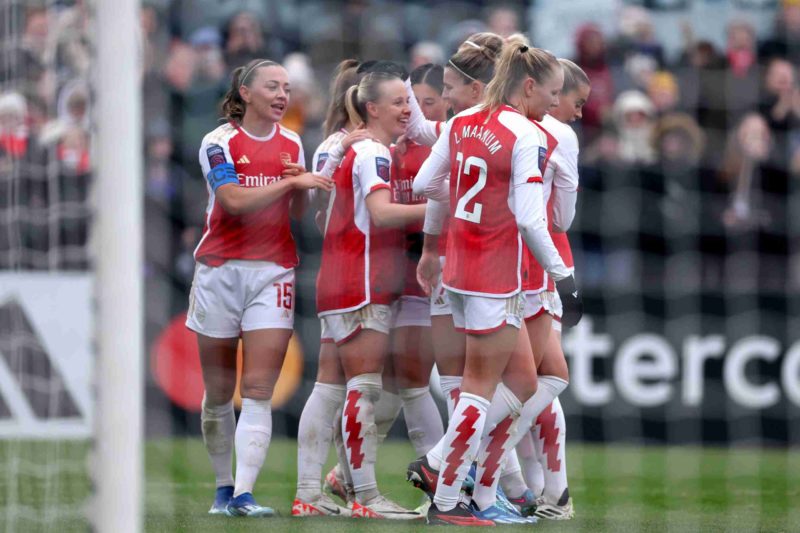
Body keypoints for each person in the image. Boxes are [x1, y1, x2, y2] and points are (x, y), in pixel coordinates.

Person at [410, 39, 582, 525]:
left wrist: (472, 198)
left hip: (458, 269)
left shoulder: (462, 122)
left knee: (522, 382)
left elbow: (426, 185)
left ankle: (459, 481)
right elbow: (532, 220)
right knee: (482, 388)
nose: (554, 102)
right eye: (551, 92)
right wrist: (563, 277)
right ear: (528, 85)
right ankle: (444, 493)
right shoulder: (525, 134)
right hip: (496, 274)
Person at [186, 59, 332, 518]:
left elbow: (296, 212)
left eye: (287, 87)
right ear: (245, 93)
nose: (282, 94)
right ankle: (222, 488)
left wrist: (302, 187)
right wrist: (289, 181)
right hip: (219, 270)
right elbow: (231, 202)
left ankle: (245, 495)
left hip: (273, 272)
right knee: (217, 390)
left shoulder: (292, 142)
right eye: (272, 86)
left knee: (258, 388)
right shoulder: (219, 142)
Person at [315, 71, 428, 519]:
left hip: (343, 279)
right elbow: (381, 214)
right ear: (372, 109)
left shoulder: (354, 149)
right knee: (363, 390)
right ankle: (365, 496)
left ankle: (318, 489)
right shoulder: (373, 151)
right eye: (400, 102)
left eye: (410, 102)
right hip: (361, 283)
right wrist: (444, 208)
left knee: (347, 390)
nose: (408, 110)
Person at [292, 58, 372, 517]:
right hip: (353, 275)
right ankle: (342, 488)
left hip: (341, 272)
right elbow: (327, 209)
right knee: (346, 385)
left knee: (337, 385)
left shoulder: (338, 144)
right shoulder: (344, 146)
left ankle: (323, 487)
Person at [513, 58, 591, 520]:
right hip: (543, 261)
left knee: (537, 379)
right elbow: (562, 217)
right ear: (553, 92)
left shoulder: (509, 126)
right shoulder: (556, 134)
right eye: (576, 102)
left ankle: (542, 490)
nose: (579, 112)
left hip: (523, 260)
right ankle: (530, 487)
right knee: (539, 380)